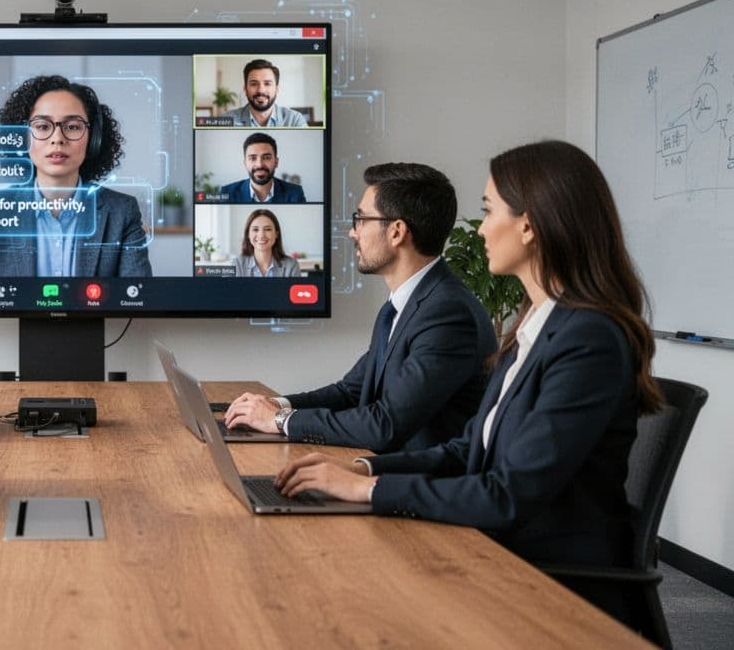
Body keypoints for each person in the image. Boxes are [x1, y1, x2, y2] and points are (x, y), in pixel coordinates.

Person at [274, 140, 661, 626]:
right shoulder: (538, 325)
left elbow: (506, 494)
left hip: (550, 584)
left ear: (529, 225)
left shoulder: (588, 341)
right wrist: (366, 471)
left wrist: (366, 493)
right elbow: (467, 449)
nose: (478, 231)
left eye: (488, 210)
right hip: (497, 548)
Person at [225, 163, 495, 452]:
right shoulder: (401, 307)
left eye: (361, 219)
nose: (353, 233)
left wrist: (280, 421)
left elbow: (385, 425)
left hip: (414, 487)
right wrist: (274, 406)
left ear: (396, 232)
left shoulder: (448, 314)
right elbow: (349, 392)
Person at [0, 75, 151, 278]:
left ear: (93, 139)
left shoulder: (122, 212)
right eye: (42, 126)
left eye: (73, 127)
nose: (57, 139)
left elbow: (137, 298)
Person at [217, 133, 306, 203]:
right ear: (245, 164)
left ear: (276, 162)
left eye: (266, 157)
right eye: (252, 158)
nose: (259, 165)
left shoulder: (295, 193)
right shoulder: (227, 192)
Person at [223, 59, 309, 128]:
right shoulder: (227, 120)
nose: (261, 90)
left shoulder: (295, 120)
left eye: (267, 83)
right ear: (245, 89)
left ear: (277, 89)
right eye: (254, 84)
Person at [232, 209, 300, 277]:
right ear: (248, 234)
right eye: (255, 229)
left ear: (276, 234)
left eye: (268, 229)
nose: (261, 235)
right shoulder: (237, 264)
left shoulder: (291, 266)